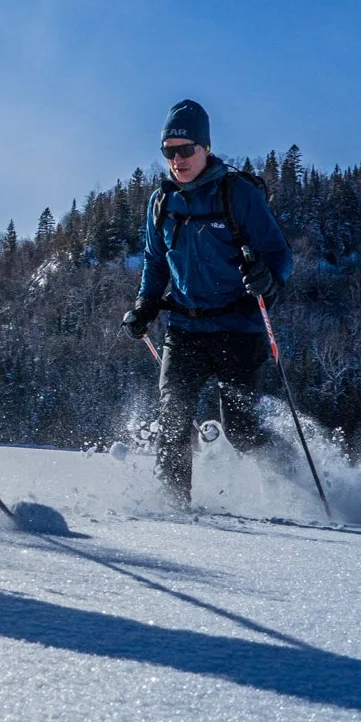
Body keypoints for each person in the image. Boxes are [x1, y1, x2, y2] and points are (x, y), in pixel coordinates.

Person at [122, 99, 293, 503]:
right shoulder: (161, 202)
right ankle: (174, 510)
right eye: (168, 151)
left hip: (239, 327)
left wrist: (268, 279)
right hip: (184, 328)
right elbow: (155, 261)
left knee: (243, 431)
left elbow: (279, 254)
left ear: (206, 147)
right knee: (173, 420)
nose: (177, 159)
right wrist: (146, 303)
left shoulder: (238, 193)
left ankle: (293, 480)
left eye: (186, 149)